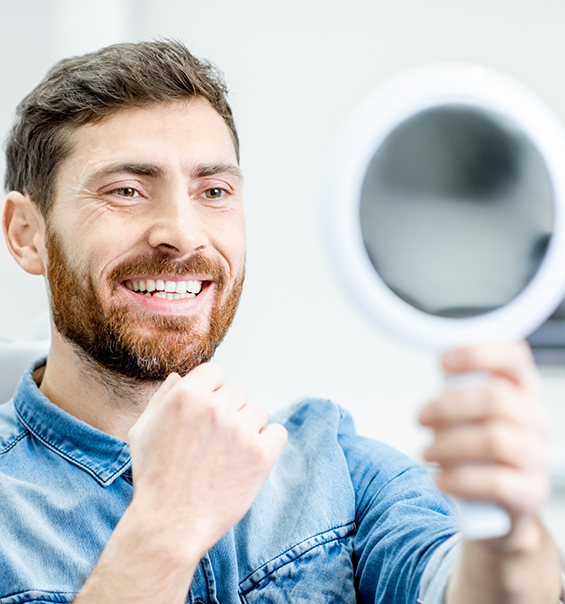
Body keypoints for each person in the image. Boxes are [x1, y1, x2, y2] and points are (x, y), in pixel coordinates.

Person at [0, 40, 562, 604]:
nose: (184, 232)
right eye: (126, 190)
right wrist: (164, 528)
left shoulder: (332, 463)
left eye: (213, 191)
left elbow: (463, 587)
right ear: (26, 233)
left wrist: (507, 540)